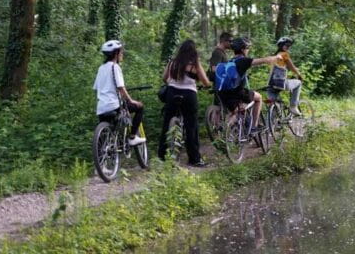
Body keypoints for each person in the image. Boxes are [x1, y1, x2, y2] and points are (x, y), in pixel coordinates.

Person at [159, 39, 212, 167]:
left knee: (167, 123)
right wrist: (207, 85)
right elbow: (205, 82)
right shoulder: (194, 64)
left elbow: (164, 78)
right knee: (191, 126)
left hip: (172, 93)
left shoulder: (173, 62)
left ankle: (162, 156)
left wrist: (173, 82)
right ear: (193, 51)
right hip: (189, 95)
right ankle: (194, 159)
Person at [93, 40, 146, 146]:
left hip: (101, 107)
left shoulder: (101, 68)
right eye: (121, 52)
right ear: (116, 53)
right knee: (140, 107)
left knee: (109, 135)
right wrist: (131, 101)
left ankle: (105, 150)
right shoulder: (115, 67)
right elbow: (121, 88)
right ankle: (132, 137)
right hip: (114, 105)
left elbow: (97, 88)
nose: (122, 54)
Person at [218, 37, 278, 130]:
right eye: (247, 48)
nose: (248, 50)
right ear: (243, 49)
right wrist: (273, 58)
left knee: (236, 111)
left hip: (223, 92)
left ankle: (225, 128)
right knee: (259, 98)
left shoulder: (230, 61)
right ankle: (254, 126)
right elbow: (261, 60)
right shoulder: (243, 60)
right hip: (236, 92)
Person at [267, 36, 304, 116]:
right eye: (287, 45)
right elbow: (292, 67)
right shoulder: (284, 54)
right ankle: (293, 106)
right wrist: (299, 75)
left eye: (289, 46)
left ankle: (274, 119)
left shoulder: (274, 56)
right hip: (280, 83)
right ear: (281, 45)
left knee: (274, 103)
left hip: (271, 84)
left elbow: (279, 68)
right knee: (298, 83)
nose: (288, 47)